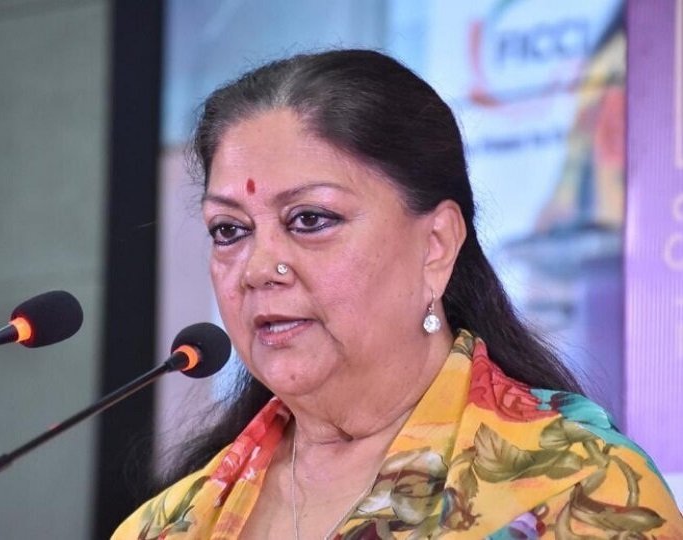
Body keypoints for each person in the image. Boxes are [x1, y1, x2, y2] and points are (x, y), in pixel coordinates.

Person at [112, 49, 682, 539]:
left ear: (436, 246)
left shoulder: (579, 491)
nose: (258, 269)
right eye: (229, 230)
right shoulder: (167, 524)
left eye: (310, 219)